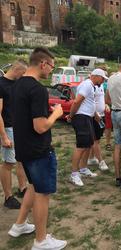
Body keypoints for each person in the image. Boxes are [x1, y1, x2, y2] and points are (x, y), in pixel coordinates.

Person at [8, 47, 66, 249]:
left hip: (23, 148)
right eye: (52, 65)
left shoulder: (17, 85)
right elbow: (40, 127)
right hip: (39, 150)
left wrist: (44, 112)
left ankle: (19, 225)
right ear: (43, 64)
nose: (51, 70)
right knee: (42, 194)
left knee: (33, 186)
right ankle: (41, 241)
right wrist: (56, 114)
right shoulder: (38, 89)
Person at [67, 69, 107, 187]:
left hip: (88, 117)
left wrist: (96, 116)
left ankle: (83, 169)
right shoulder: (87, 85)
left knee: (89, 144)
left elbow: (89, 103)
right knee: (81, 146)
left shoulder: (91, 86)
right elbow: (77, 101)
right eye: (102, 78)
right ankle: (74, 174)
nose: (103, 80)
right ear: (95, 76)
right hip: (82, 117)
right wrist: (71, 115)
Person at [0, 60, 28, 209]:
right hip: (8, 128)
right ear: (17, 70)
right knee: (8, 163)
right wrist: (4, 136)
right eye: (23, 74)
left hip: (19, 128)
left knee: (21, 159)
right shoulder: (1, 84)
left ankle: (22, 187)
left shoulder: (16, 84)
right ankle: (8, 196)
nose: (23, 77)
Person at [87, 78, 109, 171]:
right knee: (95, 140)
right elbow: (89, 102)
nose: (104, 80)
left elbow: (101, 99)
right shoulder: (91, 87)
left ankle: (91, 158)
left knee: (97, 139)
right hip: (94, 116)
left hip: (101, 115)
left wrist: (106, 105)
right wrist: (95, 113)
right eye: (103, 78)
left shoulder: (101, 86)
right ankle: (101, 161)